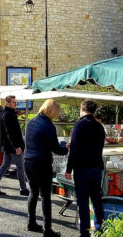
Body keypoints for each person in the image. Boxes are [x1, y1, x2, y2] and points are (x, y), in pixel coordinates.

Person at [25, 99, 69, 236]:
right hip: (42, 163)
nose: (57, 115)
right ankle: (47, 229)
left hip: (28, 161)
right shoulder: (48, 126)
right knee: (45, 196)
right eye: (57, 112)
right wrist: (66, 148)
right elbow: (55, 148)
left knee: (33, 192)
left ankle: (31, 222)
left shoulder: (31, 122)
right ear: (52, 111)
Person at [65, 99, 106, 237]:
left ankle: (85, 231)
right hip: (96, 166)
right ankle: (101, 228)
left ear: (82, 109)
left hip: (82, 168)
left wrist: (68, 169)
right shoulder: (99, 126)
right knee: (96, 199)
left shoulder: (79, 125)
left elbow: (74, 149)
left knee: (83, 202)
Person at [0, 94, 29, 196]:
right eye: (13, 102)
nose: (15, 104)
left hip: (9, 146)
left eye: (16, 102)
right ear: (7, 103)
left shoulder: (8, 113)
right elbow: (10, 133)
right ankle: (23, 188)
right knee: (20, 167)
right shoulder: (7, 114)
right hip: (13, 146)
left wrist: (16, 113)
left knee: (5, 165)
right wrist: (17, 147)